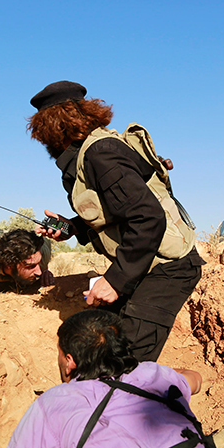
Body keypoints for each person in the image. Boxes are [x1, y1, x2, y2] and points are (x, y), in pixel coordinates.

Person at [27, 81, 204, 362]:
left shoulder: (100, 153)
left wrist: (116, 280)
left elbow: (148, 217)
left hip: (169, 267)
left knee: (127, 358)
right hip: (145, 261)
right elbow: (119, 210)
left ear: (54, 125)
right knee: (102, 344)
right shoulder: (89, 153)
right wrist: (73, 227)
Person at [2, 309, 217, 448]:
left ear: (70, 362)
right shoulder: (155, 375)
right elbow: (195, 378)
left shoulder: (52, 404)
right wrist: (156, 372)